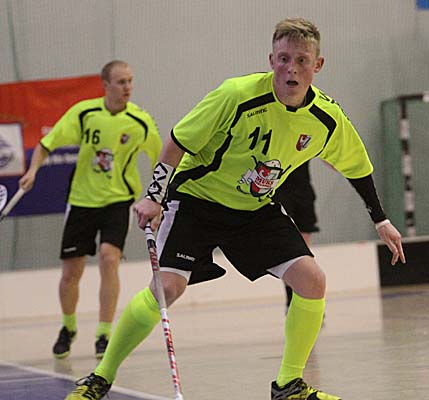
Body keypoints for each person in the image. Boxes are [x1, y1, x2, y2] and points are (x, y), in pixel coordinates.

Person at [64, 18, 405, 400]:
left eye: (302, 61)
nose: (291, 69)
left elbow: (356, 166)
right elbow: (177, 140)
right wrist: (154, 196)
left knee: (312, 280)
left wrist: (381, 219)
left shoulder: (326, 119)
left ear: (318, 65)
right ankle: (100, 378)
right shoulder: (236, 95)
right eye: (283, 59)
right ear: (271, 60)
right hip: (197, 200)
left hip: (253, 208)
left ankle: (288, 386)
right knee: (167, 288)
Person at [19, 60, 162, 360]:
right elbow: (47, 143)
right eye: (121, 82)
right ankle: (68, 327)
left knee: (109, 258)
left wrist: (159, 198)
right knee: (71, 272)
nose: (127, 87)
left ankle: (103, 333)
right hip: (82, 200)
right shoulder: (84, 113)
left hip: (118, 200)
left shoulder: (140, 121)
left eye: (130, 81)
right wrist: (32, 171)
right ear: (105, 85)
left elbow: (161, 159)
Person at [272, 160, 319, 312]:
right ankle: (292, 299)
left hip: (303, 189)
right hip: (279, 189)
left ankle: (308, 299)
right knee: (289, 251)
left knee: (305, 250)